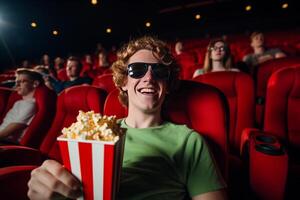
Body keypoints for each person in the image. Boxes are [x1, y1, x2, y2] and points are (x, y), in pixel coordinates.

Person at [27, 36, 227, 200]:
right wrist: (49, 185)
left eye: (159, 71)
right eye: (137, 70)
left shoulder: (188, 140)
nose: (149, 78)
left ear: (167, 85)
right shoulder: (95, 134)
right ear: (123, 82)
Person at [0, 68, 44, 144]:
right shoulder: (19, 102)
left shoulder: (30, 105)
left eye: (22, 81)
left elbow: (11, 130)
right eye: (17, 82)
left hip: (7, 143)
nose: (17, 85)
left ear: (35, 84)